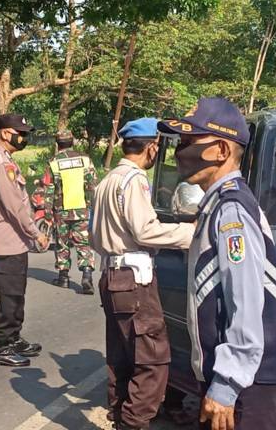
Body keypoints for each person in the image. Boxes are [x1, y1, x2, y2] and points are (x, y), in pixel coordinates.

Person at [158, 97, 276, 430]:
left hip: (247, 385)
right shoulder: (217, 204)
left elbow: (245, 303)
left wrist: (227, 385)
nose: (179, 151)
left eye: (188, 142)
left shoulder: (231, 210)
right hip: (239, 380)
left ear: (220, 150)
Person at [90, 117, 195, 430]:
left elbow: (94, 234)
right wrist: (191, 232)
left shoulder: (109, 179)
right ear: (152, 147)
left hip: (112, 274)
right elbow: (145, 231)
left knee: (122, 356)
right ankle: (133, 423)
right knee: (152, 360)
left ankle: (120, 414)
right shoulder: (134, 180)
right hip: (134, 278)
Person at [0, 114, 48, 367]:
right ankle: (2, 345)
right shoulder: (0, 164)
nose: (24, 138)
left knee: (17, 293)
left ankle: (13, 337)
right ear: (4, 133)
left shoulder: (5, 160)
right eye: (20, 132)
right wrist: (36, 233)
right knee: (10, 294)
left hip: (13, 241)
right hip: (5, 240)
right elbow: (14, 207)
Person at [41, 130, 98, 293]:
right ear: (72, 141)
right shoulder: (85, 160)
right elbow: (93, 185)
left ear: (57, 143)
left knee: (62, 243)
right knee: (84, 243)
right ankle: (87, 276)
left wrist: (47, 215)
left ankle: (63, 277)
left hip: (61, 211)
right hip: (82, 210)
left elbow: (49, 190)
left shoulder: (53, 162)